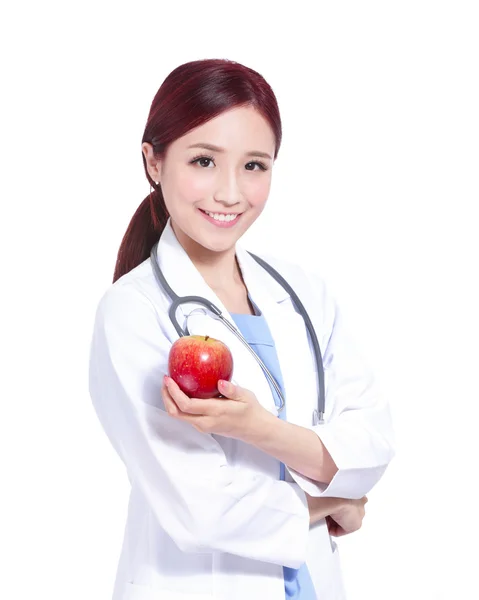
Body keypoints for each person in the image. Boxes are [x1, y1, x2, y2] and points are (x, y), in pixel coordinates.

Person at [88, 58, 395, 600]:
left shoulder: (303, 294)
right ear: (153, 162)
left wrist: (258, 428)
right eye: (204, 160)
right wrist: (332, 502)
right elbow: (201, 509)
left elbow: (370, 444)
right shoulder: (132, 311)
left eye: (255, 166)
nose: (230, 193)